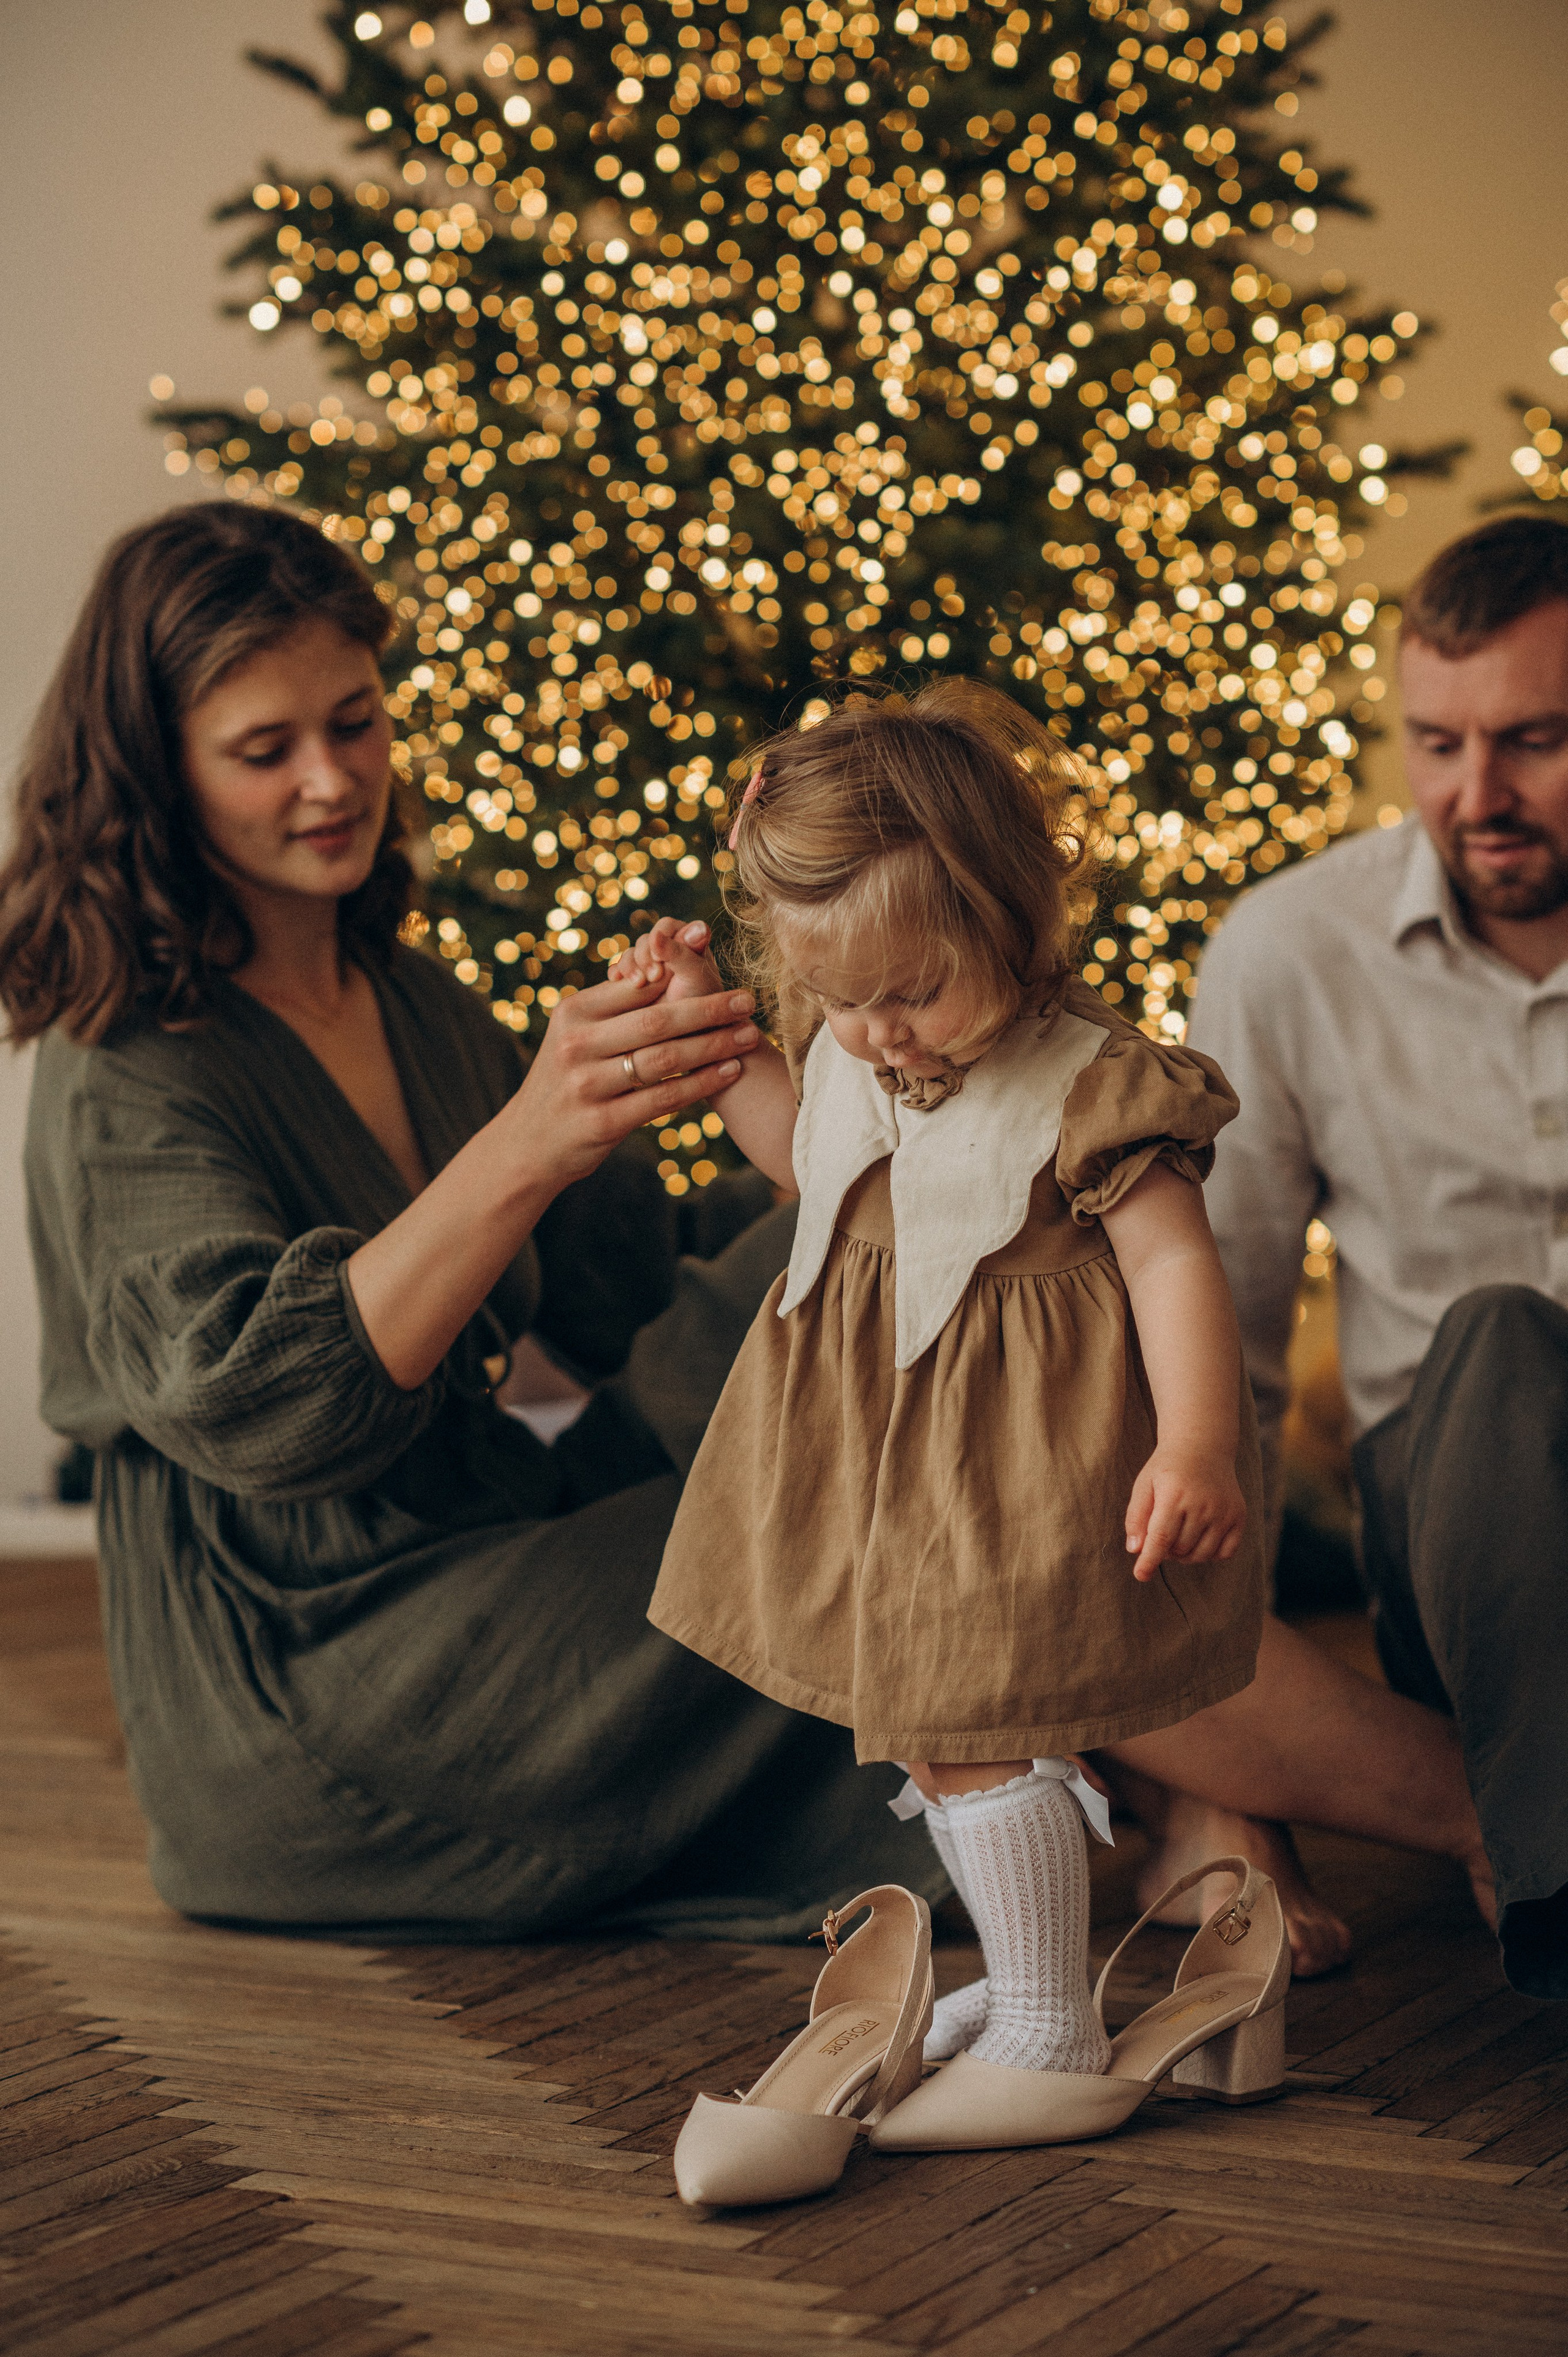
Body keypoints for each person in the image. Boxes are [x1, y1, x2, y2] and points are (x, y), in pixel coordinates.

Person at [1, 501, 937, 1940]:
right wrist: (526, 1141)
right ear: (158, 775)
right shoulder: (120, 1057)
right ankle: (1399, 1806)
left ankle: (1209, 1805)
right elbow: (266, 1413)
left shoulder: (413, 999)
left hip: (499, 1541)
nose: (332, 780)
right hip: (318, 1678)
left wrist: (750, 1081)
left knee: (917, 1310)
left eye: (356, 722)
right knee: (905, 1549)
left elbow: (632, 1283)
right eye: (266, 751)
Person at [623, 680, 1276, 2155]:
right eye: (837, 1001)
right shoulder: (860, 1056)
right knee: (934, 1734)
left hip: (1016, 1465)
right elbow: (818, 1167)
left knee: (979, 1730)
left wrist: (1194, 1443)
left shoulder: (1091, 1085)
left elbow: (1172, 1261)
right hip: (879, 1460)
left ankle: (1050, 2026)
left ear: (1010, 921)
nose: (872, 1033)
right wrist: (726, 1054)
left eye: (910, 992)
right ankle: (1034, 1981)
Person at [1189, 513, 1568, 2002]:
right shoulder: (1289, 950)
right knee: (1496, 1333)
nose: (1474, 795)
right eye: (1433, 743)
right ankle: (1554, 1907)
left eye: (1535, 741)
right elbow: (1220, 1324)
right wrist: (1240, 1755)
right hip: (1460, 1526)